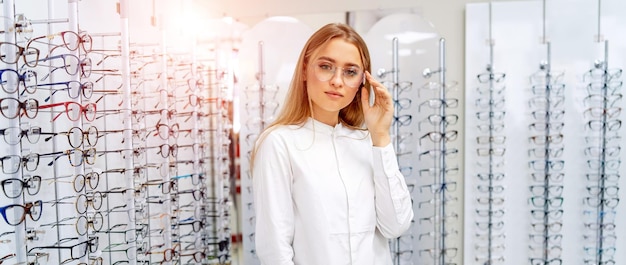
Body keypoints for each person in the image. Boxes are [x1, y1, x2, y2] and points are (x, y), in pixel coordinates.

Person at [251, 22, 414, 265]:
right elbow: (275, 249)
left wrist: (381, 136)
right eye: (326, 67)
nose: (337, 81)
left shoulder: (367, 142)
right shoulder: (279, 143)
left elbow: (396, 226)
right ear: (305, 70)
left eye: (350, 72)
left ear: (362, 81)